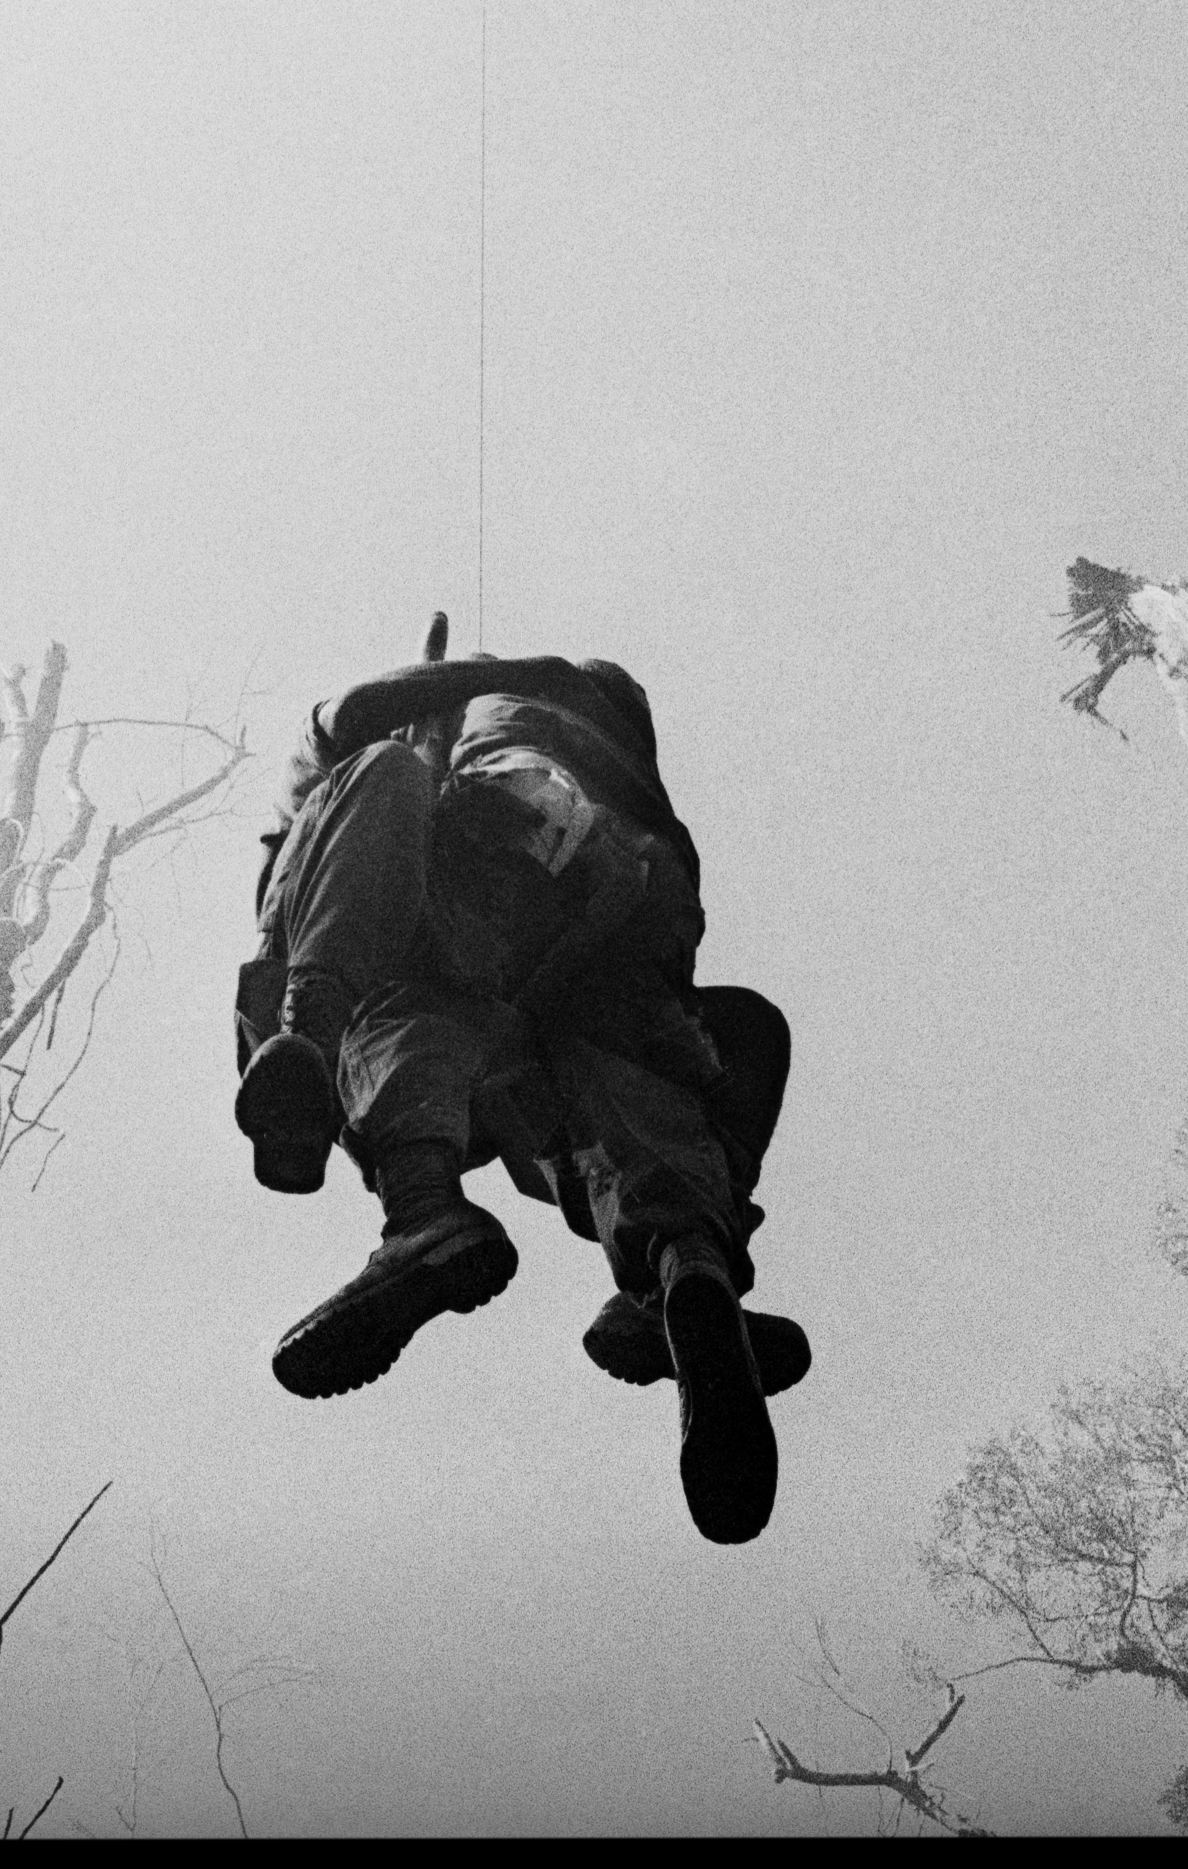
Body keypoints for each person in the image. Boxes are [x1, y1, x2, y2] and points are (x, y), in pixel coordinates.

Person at [232, 619, 807, 1545]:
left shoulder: (390, 761)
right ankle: (684, 1269)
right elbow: (668, 904)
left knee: (406, 974)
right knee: (646, 1068)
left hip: (478, 873)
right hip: (603, 900)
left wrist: (470, 682)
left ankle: (408, 1188)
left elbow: (346, 717)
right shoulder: (605, 728)